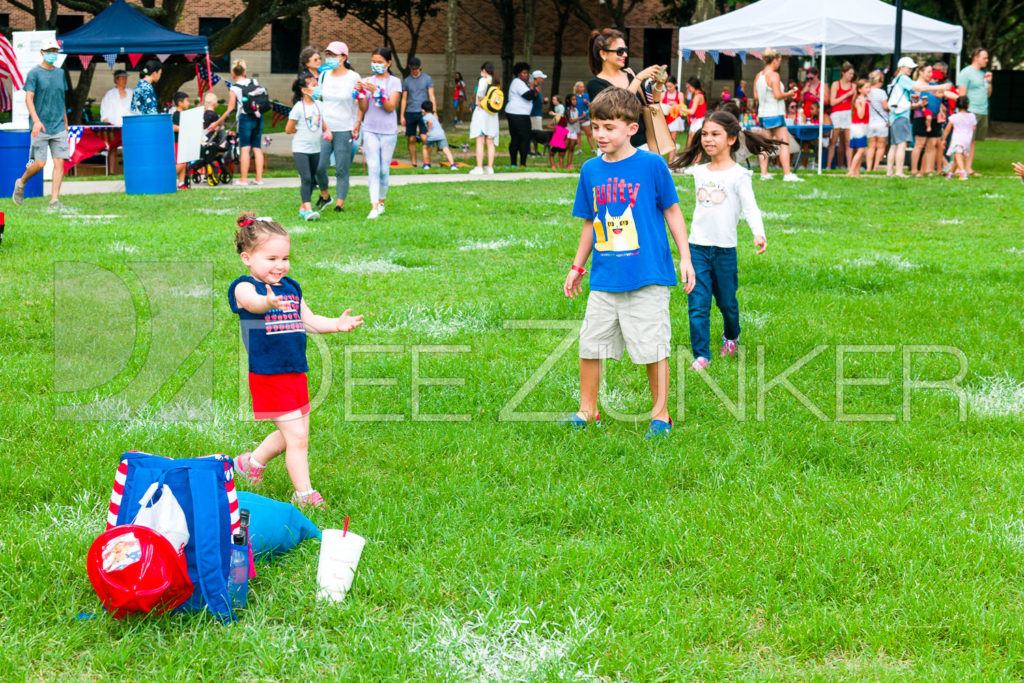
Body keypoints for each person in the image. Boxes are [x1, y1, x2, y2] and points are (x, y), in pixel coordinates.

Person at [563, 87, 695, 438]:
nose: (600, 135)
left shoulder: (651, 164)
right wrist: (578, 267)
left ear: (631, 129)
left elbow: (672, 210)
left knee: (653, 347)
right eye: (596, 127)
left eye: (609, 127)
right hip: (606, 277)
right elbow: (590, 223)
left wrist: (686, 257)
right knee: (590, 344)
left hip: (648, 276)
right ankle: (588, 410)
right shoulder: (590, 170)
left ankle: (661, 414)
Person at [229, 212, 363, 508]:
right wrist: (267, 302)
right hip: (269, 374)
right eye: (271, 258)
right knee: (298, 437)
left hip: (294, 371)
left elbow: (309, 320)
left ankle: (250, 463)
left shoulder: (290, 287)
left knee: (294, 433)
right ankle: (304, 495)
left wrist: (335, 325)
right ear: (247, 258)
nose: (280, 265)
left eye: (284, 258)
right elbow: (253, 304)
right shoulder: (244, 287)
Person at [669, 111, 780, 372]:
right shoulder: (698, 171)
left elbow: (750, 207)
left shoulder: (739, 175)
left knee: (728, 304)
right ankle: (701, 355)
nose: (708, 139)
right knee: (698, 304)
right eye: (705, 134)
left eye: (715, 134)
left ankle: (731, 336)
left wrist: (758, 232)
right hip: (696, 248)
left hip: (725, 251)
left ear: (731, 139)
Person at [585, 28, 667, 150]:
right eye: (620, 51)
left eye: (625, 50)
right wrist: (639, 78)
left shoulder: (631, 74)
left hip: (643, 145)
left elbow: (651, 103)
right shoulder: (595, 84)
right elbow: (616, 110)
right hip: (613, 148)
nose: (625, 55)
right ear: (603, 54)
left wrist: (659, 84)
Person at [12, 38, 68, 211]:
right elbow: (29, 98)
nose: (52, 54)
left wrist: (65, 121)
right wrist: (36, 120)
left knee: (59, 163)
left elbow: (61, 99)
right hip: (40, 126)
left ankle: (54, 201)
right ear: (42, 52)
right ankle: (21, 183)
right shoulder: (34, 73)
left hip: (58, 125)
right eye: (49, 51)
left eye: (54, 50)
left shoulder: (60, 73)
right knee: (40, 163)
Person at [357, 47, 402, 219]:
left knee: (384, 169)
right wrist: (361, 93)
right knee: (373, 168)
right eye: (373, 62)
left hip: (388, 131)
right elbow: (364, 108)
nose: (375, 65)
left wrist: (376, 91)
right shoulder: (367, 80)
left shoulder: (394, 82)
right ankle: (374, 206)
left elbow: (390, 107)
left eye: (379, 62)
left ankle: (381, 202)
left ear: (388, 63)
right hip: (370, 129)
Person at [885, 57, 949, 177]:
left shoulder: (895, 79)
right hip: (901, 115)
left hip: (894, 115)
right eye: (908, 67)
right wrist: (938, 87)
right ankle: (899, 171)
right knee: (902, 144)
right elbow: (919, 88)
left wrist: (912, 99)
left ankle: (890, 171)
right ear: (902, 67)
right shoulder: (903, 78)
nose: (910, 70)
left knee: (894, 145)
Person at [317, 41, 360, 212]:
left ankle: (339, 204)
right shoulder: (323, 76)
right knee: (319, 167)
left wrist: (357, 122)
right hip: (326, 127)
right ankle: (326, 195)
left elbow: (359, 102)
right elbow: (319, 101)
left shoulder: (353, 77)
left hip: (345, 128)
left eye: (334, 55)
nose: (330, 58)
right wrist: (323, 124)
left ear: (343, 57)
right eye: (328, 55)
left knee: (342, 168)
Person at [207, 60, 266, 185]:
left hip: (245, 119)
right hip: (258, 117)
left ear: (233, 74)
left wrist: (216, 123)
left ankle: (243, 179)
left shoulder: (234, 88)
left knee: (245, 148)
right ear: (244, 72)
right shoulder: (254, 82)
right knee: (257, 147)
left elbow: (230, 109)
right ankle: (259, 179)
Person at [286, 73, 331, 220]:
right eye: (314, 85)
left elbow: (321, 122)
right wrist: (300, 130)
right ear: (304, 90)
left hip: (315, 148)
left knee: (311, 180)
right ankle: (309, 210)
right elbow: (288, 129)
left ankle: (302, 208)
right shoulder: (298, 108)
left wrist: (327, 130)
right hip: (301, 149)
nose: (317, 87)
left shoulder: (319, 105)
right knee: (306, 178)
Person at [755, 48, 802, 181]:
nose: (779, 63)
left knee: (764, 145)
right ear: (774, 60)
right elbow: (777, 95)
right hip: (775, 113)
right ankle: (787, 174)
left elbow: (755, 95)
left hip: (763, 113)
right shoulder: (774, 75)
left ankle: (764, 174)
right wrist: (789, 93)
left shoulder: (759, 75)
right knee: (784, 144)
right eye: (779, 60)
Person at [957, 47, 992, 176]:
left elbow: (988, 94)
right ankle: (959, 167)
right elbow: (962, 95)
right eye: (984, 58)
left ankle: (968, 168)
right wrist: (965, 113)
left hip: (983, 110)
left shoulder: (982, 74)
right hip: (971, 111)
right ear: (976, 58)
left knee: (973, 141)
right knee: (965, 140)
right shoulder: (966, 72)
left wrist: (989, 82)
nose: (987, 60)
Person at [400, 57, 435, 168]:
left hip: (424, 112)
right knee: (411, 138)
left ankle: (427, 162)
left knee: (425, 137)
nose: (415, 70)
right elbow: (404, 99)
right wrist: (402, 115)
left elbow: (431, 95)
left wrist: (433, 112)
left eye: (417, 68)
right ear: (410, 67)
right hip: (410, 112)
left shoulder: (427, 79)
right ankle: (414, 163)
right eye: (412, 68)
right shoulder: (407, 81)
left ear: (420, 67)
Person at [506, 62, 540, 167]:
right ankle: (522, 163)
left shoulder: (520, 83)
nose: (526, 75)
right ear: (518, 73)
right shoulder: (517, 82)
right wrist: (535, 90)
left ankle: (514, 164)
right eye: (523, 73)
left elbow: (531, 96)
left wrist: (534, 92)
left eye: (527, 73)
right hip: (518, 114)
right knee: (524, 138)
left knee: (516, 138)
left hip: (517, 113)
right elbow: (528, 96)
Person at [468, 62, 499, 175]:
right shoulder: (496, 81)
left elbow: (480, 92)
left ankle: (479, 167)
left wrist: (479, 102)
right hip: (493, 113)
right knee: (490, 141)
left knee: (480, 140)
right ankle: (490, 168)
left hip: (482, 111)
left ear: (484, 70)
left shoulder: (483, 80)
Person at [826, 62, 855, 169]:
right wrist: (847, 94)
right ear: (843, 73)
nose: (851, 76)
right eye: (849, 74)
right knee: (833, 141)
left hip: (848, 114)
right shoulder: (836, 84)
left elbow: (853, 104)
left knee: (848, 142)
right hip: (837, 114)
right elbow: (832, 102)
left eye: (852, 74)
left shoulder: (854, 86)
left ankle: (849, 166)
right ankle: (828, 166)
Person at [941, 96, 976, 180]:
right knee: (958, 158)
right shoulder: (972, 116)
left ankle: (962, 172)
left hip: (957, 139)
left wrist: (943, 139)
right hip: (967, 140)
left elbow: (948, 129)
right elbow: (974, 127)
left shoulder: (954, 117)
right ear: (968, 104)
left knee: (957, 156)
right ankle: (950, 174)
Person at [419, 100, 457, 170]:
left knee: (425, 148)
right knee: (446, 149)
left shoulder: (425, 117)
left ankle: (426, 164)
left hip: (432, 135)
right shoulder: (434, 117)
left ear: (424, 110)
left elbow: (429, 122)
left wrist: (428, 131)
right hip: (441, 135)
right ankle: (453, 165)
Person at [846, 80, 870, 177]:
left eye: (869, 87)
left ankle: (857, 172)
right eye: (866, 87)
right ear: (860, 90)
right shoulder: (859, 101)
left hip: (863, 127)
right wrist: (864, 104)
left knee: (860, 150)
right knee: (860, 150)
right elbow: (860, 115)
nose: (869, 89)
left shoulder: (863, 99)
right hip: (858, 127)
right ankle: (851, 171)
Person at [866, 70, 888, 172]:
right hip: (881, 122)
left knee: (871, 146)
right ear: (880, 81)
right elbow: (885, 106)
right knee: (880, 146)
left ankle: (868, 167)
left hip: (870, 122)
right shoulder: (882, 92)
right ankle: (875, 168)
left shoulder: (867, 92)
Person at [662, 77, 685, 165]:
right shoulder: (663, 94)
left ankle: (671, 162)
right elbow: (659, 106)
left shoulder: (680, 95)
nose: (669, 89)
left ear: (675, 85)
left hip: (675, 119)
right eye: (667, 86)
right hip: (665, 119)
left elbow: (682, 109)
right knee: (663, 140)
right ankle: (661, 160)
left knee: (672, 140)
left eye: (671, 86)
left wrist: (676, 105)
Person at [171, 92, 191, 189]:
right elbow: (173, 127)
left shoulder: (183, 114)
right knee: (181, 163)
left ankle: (181, 183)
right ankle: (168, 178)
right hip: (177, 141)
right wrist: (186, 128)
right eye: (187, 101)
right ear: (180, 103)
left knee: (184, 163)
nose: (189, 103)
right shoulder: (176, 115)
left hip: (183, 141)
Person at [529, 69, 548, 155]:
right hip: (534, 114)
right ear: (537, 78)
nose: (542, 80)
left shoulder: (537, 88)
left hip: (537, 113)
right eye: (541, 78)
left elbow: (536, 100)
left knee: (536, 133)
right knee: (535, 133)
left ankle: (534, 150)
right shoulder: (532, 87)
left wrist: (543, 101)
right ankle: (532, 150)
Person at [574, 81, 594, 153]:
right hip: (577, 119)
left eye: (583, 87)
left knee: (588, 134)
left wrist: (587, 102)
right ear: (577, 88)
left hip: (585, 119)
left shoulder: (586, 96)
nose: (583, 88)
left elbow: (591, 106)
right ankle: (579, 150)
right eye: (581, 87)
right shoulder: (574, 97)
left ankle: (593, 149)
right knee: (578, 135)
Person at [548, 95, 567, 169]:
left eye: (554, 99)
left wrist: (553, 114)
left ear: (558, 100)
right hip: (560, 133)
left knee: (553, 153)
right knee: (560, 154)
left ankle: (554, 166)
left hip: (559, 134)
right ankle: (559, 167)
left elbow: (561, 115)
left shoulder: (561, 107)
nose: (553, 101)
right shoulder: (556, 108)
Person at [564, 92, 582, 169]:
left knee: (571, 148)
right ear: (568, 100)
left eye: (575, 99)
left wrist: (581, 121)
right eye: (573, 99)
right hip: (568, 131)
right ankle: (560, 162)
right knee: (564, 148)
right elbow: (571, 121)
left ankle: (568, 164)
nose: (575, 101)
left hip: (574, 131)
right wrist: (581, 117)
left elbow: (576, 121)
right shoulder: (567, 110)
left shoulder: (576, 110)